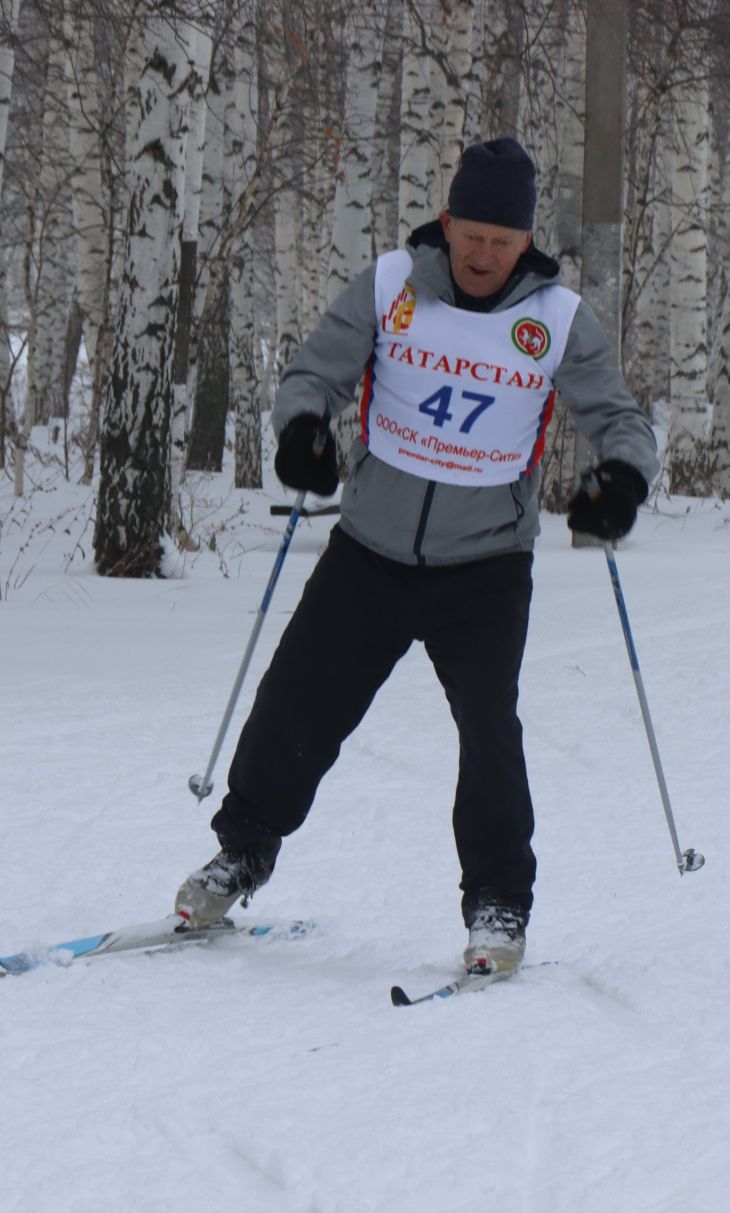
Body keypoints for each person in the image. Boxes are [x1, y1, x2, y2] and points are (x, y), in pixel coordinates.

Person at [174, 137, 658, 976]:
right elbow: (315, 373)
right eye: (471, 235)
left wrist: (620, 479)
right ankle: (243, 850)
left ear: (526, 241)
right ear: (448, 221)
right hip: (371, 547)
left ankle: (499, 902)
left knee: (488, 734)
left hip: (487, 564)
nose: (482, 255)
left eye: (501, 242)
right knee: (297, 702)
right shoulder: (393, 286)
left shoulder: (556, 319)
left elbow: (621, 420)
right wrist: (302, 432)